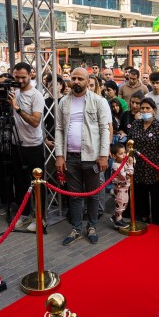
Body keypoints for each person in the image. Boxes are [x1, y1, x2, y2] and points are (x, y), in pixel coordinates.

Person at [56, 68, 111, 246]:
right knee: (74, 195)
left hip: (92, 157)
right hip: (70, 157)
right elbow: (59, 129)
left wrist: (103, 155)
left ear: (88, 81)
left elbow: (105, 129)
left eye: (80, 78)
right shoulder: (63, 102)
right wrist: (59, 155)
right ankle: (76, 228)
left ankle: (92, 226)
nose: (76, 81)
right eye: (74, 78)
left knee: (93, 195)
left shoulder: (99, 101)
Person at [10, 62, 46, 231]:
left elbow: (35, 121)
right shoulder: (13, 92)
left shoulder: (36, 95)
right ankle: (24, 214)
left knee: (37, 184)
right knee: (20, 182)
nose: (19, 80)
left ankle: (40, 217)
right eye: (16, 77)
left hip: (33, 145)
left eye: (23, 77)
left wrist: (17, 108)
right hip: (16, 144)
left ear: (30, 75)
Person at [128, 97, 159, 225]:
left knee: (156, 196)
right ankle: (143, 216)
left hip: (155, 167)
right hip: (138, 167)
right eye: (143, 108)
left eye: (148, 108)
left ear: (154, 110)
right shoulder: (136, 124)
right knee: (141, 194)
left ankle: (156, 220)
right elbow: (129, 144)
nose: (145, 111)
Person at [109, 143, 131, 229]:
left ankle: (116, 216)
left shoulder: (122, 162)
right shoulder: (116, 166)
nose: (124, 155)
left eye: (124, 152)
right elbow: (126, 176)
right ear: (114, 156)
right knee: (121, 203)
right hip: (120, 188)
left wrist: (130, 161)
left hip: (124, 187)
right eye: (121, 153)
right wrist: (130, 165)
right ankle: (118, 220)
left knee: (124, 203)